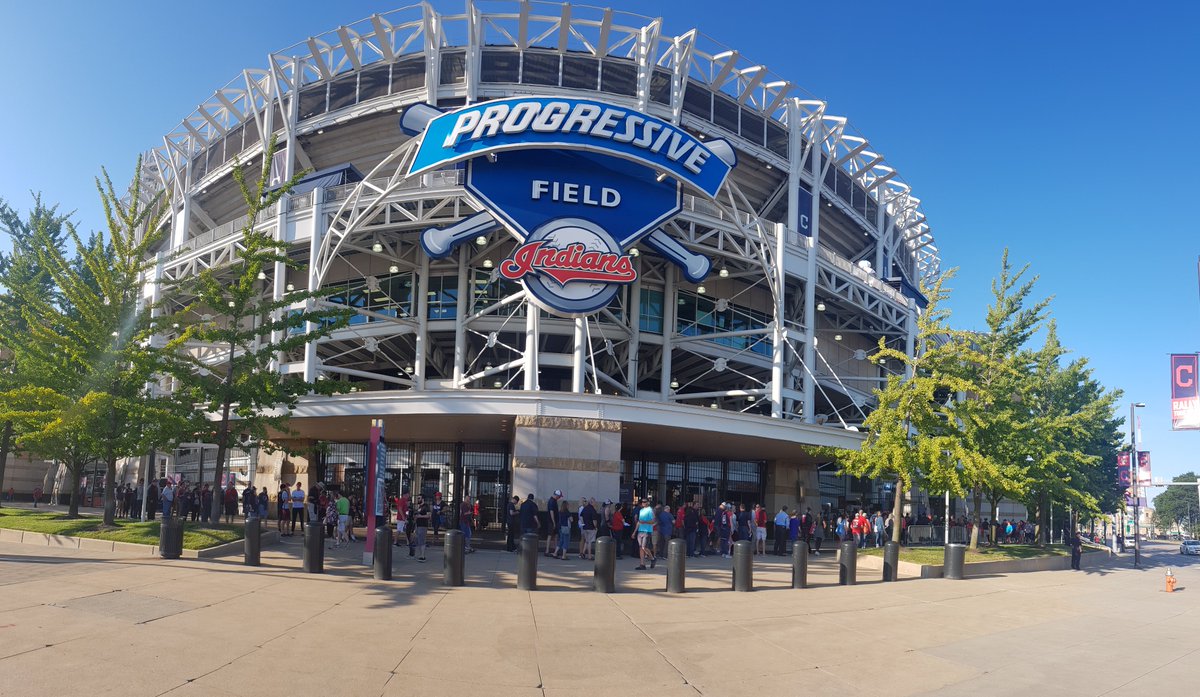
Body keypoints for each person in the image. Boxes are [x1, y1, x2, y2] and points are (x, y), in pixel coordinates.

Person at [635, 500, 657, 570]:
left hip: (647, 531)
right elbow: (639, 521)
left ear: (648, 503)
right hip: (640, 530)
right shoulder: (641, 510)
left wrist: (645, 522)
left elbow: (653, 520)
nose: (643, 503)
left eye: (645, 502)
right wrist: (634, 531)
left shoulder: (650, 510)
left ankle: (652, 558)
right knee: (641, 547)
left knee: (644, 547)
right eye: (642, 502)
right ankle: (642, 564)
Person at [544, 489, 562, 557]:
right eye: (559, 496)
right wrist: (554, 522)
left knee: (555, 536)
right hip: (552, 522)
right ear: (557, 495)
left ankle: (555, 550)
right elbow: (551, 512)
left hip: (553, 521)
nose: (559, 498)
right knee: (550, 535)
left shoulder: (553, 501)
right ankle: (547, 550)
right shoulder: (552, 501)